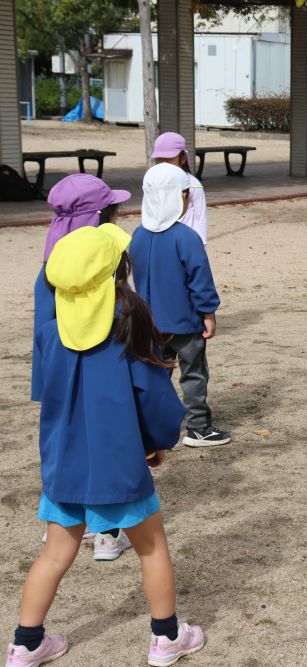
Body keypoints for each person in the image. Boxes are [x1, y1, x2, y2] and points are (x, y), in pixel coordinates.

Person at [8, 224, 205, 667]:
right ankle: (167, 637)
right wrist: (157, 443)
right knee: (151, 546)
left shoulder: (49, 330)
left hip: (63, 462)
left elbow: (46, 392)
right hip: (119, 463)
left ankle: (25, 643)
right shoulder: (130, 324)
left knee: (55, 553)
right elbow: (154, 401)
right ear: (119, 271)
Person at [31, 174, 132, 561]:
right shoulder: (104, 258)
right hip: (100, 371)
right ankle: (105, 531)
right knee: (103, 443)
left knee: (63, 441)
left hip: (59, 374)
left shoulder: (52, 262)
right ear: (101, 215)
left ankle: (63, 521)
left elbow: (43, 326)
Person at [130, 163, 230, 448]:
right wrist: (208, 314)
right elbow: (201, 282)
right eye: (186, 194)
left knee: (155, 376)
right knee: (194, 373)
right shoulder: (186, 238)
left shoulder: (137, 235)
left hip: (149, 322)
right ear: (175, 197)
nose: (188, 199)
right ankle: (198, 427)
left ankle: (149, 429)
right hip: (185, 322)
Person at [150, 132, 208, 244]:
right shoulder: (153, 182)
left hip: (188, 242)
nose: (163, 164)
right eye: (159, 159)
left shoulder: (193, 184)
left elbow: (201, 217)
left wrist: (201, 244)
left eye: (168, 159)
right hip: (162, 241)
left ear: (183, 159)